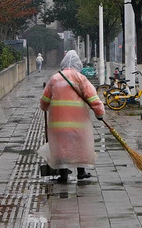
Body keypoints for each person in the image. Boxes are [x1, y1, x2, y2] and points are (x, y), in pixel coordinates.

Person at [38, 50, 105, 182]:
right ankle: (81, 172)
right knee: (79, 145)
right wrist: (100, 114)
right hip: (78, 122)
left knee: (61, 147)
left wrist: (45, 107)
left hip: (58, 123)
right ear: (78, 64)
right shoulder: (81, 78)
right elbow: (93, 99)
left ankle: (63, 175)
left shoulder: (54, 78)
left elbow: (44, 101)